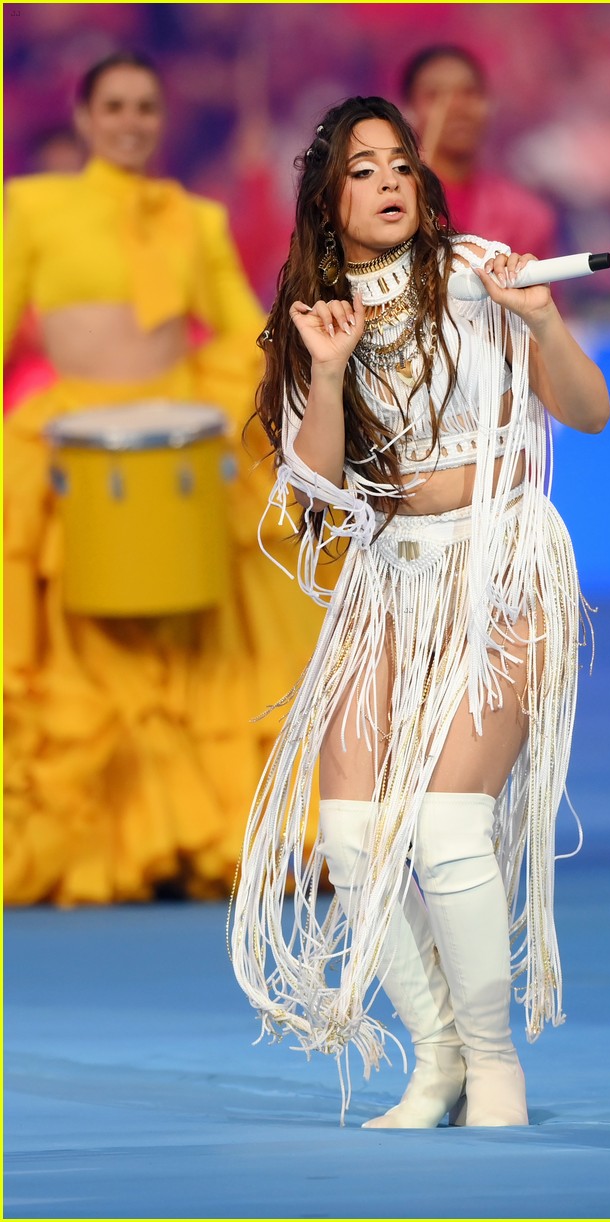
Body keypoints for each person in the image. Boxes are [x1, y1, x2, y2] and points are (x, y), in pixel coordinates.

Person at [230, 95, 610, 1129]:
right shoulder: (316, 316)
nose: (392, 182)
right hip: (390, 575)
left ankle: (497, 1070)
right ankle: (436, 1057)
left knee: (448, 823)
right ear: (327, 198)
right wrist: (325, 367)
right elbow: (314, 492)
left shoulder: (481, 271)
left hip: (500, 557)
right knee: (349, 837)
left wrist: (538, 319)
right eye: (364, 169)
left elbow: (588, 410)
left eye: (401, 164)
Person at [3, 52, 326, 906]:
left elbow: (238, 332)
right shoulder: (29, 207)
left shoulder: (197, 219)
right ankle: (101, 843)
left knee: (233, 632)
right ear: (84, 117)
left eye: (145, 107)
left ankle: (224, 834)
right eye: (113, 106)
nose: (131, 122)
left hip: (184, 435)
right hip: (69, 440)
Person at [400, 45, 558, 260]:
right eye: (435, 95)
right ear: (407, 111)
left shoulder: (525, 215)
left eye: (470, 92)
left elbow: (543, 292)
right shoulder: (389, 202)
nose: (457, 107)